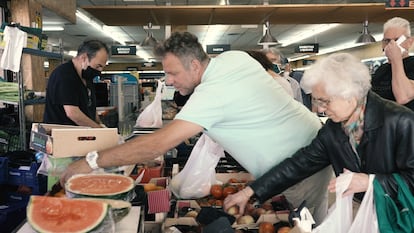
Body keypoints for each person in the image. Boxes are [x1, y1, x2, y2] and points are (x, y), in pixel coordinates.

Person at [60, 32, 331, 224]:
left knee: (305, 225)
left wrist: (92, 161)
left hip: (301, 167)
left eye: (173, 73)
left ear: (193, 65)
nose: (168, 80)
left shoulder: (211, 93)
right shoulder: (233, 58)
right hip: (311, 149)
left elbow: (158, 144)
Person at [223, 53, 414, 226]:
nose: (320, 109)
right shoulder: (334, 130)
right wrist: (250, 192)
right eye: (317, 101)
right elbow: (299, 164)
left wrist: (371, 182)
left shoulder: (402, 122)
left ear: (351, 95)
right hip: (363, 214)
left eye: (325, 101)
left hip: (400, 215)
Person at [43, 40, 109, 127]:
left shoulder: (86, 76)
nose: (100, 71)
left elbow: (91, 107)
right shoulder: (64, 75)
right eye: (98, 66)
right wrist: (99, 130)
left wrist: (100, 123)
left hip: (82, 134)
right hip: (62, 136)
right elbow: (73, 113)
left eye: (102, 67)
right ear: (84, 58)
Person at [371, 17, 414, 111]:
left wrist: (396, 59)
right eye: (387, 41)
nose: (391, 45)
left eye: (397, 40)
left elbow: (403, 97)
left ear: (409, 42)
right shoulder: (381, 70)